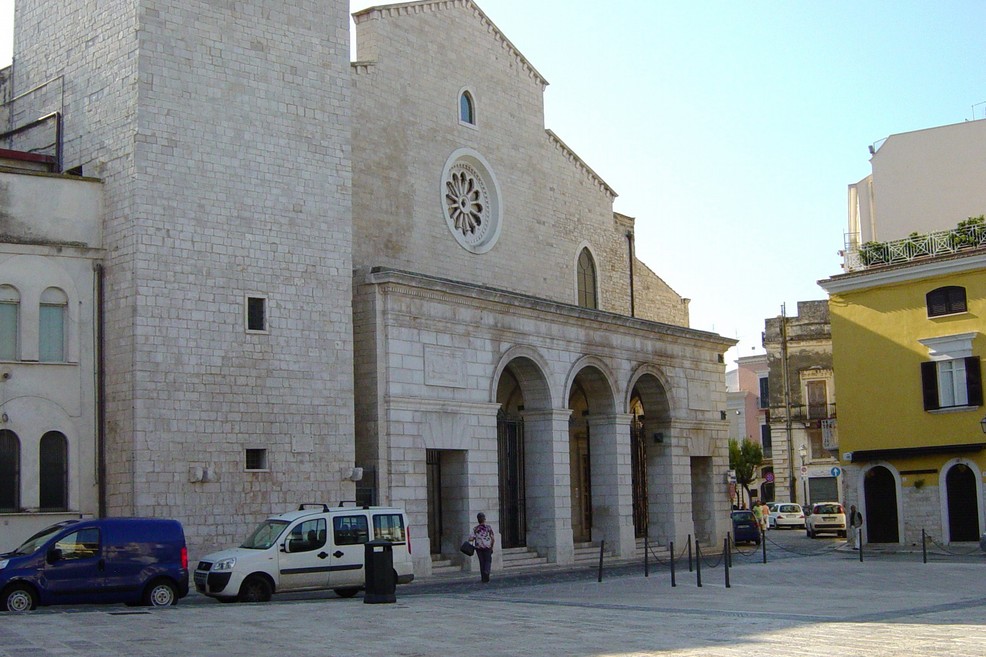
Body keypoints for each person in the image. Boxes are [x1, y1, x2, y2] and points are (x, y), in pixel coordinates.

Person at [469, 512, 495, 583]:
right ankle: (487, 572)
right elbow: (492, 538)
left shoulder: (475, 529)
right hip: (487, 547)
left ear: (478, 520)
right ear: (484, 519)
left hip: (479, 548)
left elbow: (471, 538)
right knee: (488, 561)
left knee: (482, 562)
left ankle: (483, 578)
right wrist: (492, 546)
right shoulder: (488, 528)